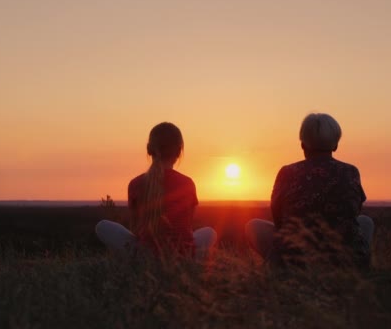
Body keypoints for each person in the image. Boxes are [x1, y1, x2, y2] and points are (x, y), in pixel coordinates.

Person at [245, 113, 374, 267]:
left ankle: (276, 267)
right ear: (335, 145)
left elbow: (278, 219)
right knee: (365, 221)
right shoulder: (351, 172)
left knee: (253, 226)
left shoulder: (287, 172)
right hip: (345, 262)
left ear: (303, 145)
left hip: (294, 261)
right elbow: (353, 213)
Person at [95, 122, 217, 259]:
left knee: (102, 226)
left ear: (149, 149)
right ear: (178, 151)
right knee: (209, 232)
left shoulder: (135, 184)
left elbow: (135, 228)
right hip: (184, 254)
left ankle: (134, 257)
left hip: (145, 255)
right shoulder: (188, 184)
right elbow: (187, 225)